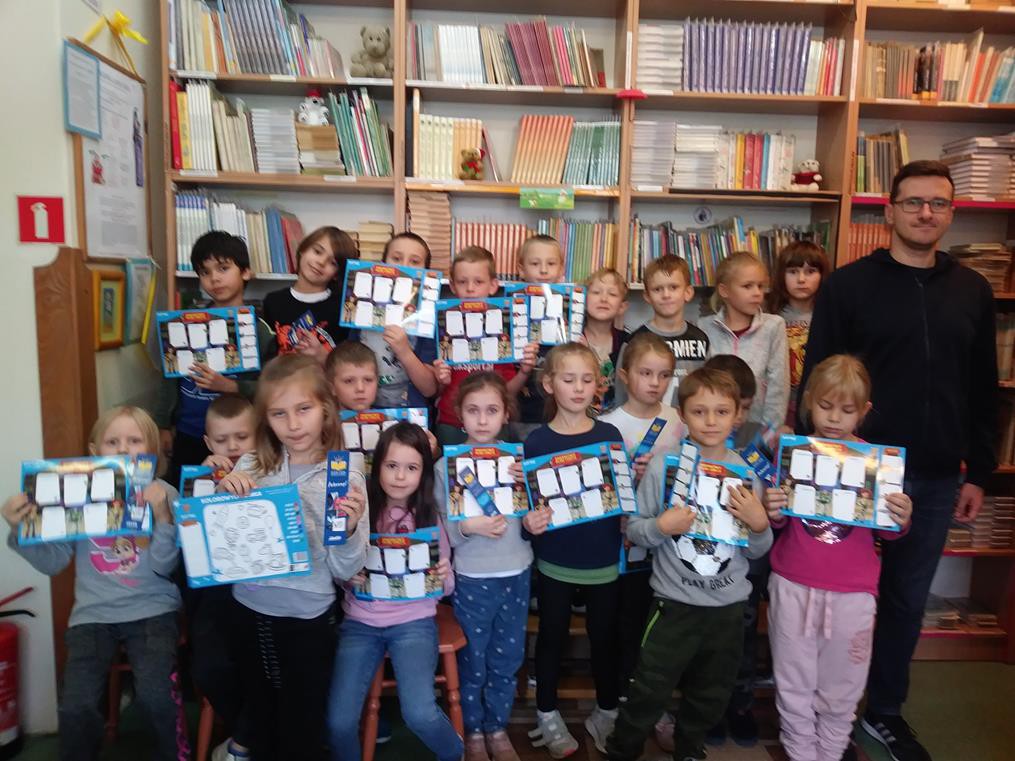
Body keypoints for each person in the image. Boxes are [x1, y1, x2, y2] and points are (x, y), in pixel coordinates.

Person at [800, 160, 998, 761]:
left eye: (938, 203)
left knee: (906, 599)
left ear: (951, 213)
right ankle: (822, 710)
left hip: (935, 476)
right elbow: (816, 380)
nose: (925, 213)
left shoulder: (973, 290)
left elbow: (984, 386)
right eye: (913, 202)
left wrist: (979, 471)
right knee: (833, 593)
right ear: (888, 211)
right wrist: (808, 462)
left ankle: (883, 711)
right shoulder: (848, 286)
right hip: (852, 468)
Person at [604, 368, 772, 761]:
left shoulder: (747, 474)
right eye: (699, 411)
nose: (711, 421)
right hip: (673, 606)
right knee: (649, 687)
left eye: (721, 411)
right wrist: (661, 526)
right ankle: (622, 749)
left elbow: (756, 551)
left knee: (712, 690)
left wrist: (760, 523)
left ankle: (690, 748)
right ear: (682, 415)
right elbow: (636, 530)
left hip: (727, 609)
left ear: (737, 415)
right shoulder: (664, 466)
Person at [3, 406, 186, 761]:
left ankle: (173, 754)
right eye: (112, 442)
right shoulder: (76, 493)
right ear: (94, 450)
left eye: (135, 441)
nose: (123, 449)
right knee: (76, 704)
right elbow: (54, 562)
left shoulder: (164, 493)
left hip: (152, 609)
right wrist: (19, 528)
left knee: (157, 696)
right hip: (92, 614)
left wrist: (163, 516)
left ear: (152, 450)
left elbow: (166, 567)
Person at [215, 355, 368, 761]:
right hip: (249, 609)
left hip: (307, 619)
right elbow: (223, 546)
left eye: (304, 409)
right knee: (259, 711)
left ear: (326, 409)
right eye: (279, 414)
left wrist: (348, 531)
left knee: (303, 722)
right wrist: (222, 497)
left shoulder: (344, 476)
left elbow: (346, 569)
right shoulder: (251, 465)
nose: (294, 425)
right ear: (265, 419)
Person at [765, 355, 913, 761]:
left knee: (842, 688)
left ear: (863, 411)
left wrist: (901, 516)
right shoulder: (792, 454)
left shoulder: (876, 464)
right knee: (793, 683)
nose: (834, 418)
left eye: (847, 410)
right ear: (808, 402)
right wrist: (772, 510)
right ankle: (801, 753)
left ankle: (830, 753)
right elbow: (775, 522)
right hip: (794, 584)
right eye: (825, 406)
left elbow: (889, 531)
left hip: (852, 594)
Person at [327, 423, 463, 761]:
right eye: (391, 465)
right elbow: (340, 569)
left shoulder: (429, 516)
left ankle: (455, 752)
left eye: (411, 467)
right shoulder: (361, 511)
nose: (400, 476)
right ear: (377, 467)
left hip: (414, 621)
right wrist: (349, 577)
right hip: (361, 621)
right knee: (338, 721)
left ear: (423, 472)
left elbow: (446, 585)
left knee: (419, 713)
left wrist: (444, 575)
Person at [435, 372, 545, 761]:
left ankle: (497, 726)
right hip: (472, 576)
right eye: (473, 411)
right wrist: (470, 526)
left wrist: (533, 509)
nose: (482, 420)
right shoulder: (445, 467)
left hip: (516, 572)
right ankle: (473, 730)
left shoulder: (519, 462)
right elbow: (444, 530)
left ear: (506, 414)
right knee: (473, 660)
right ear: (459, 415)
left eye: (492, 410)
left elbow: (534, 518)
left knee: (506, 659)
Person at [523, 342, 624, 758]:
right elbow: (527, 510)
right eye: (569, 379)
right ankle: (547, 713)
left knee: (605, 640)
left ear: (599, 384)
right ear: (549, 384)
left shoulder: (609, 435)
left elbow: (621, 499)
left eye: (587, 380)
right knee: (552, 638)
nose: (579, 388)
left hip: (604, 559)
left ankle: (607, 712)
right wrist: (528, 523)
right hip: (555, 561)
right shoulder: (536, 442)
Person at [599, 332, 684, 695]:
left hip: (671, 541)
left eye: (664, 375)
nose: (655, 383)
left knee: (659, 618)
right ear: (625, 374)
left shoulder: (678, 419)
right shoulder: (609, 424)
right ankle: (622, 690)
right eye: (646, 373)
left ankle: (651, 692)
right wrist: (630, 478)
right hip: (625, 540)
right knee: (627, 616)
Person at [158, 230, 274, 485]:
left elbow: (271, 388)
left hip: (239, 439)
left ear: (245, 272)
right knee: (190, 493)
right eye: (205, 272)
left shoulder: (260, 331)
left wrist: (231, 386)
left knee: (241, 490)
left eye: (223, 268)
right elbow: (169, 379)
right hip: (190, 433)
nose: (214, 278)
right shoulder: (184, 324)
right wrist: (164, 424)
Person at [188, 394, 256, 743]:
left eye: (242, 437)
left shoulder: (273, 472)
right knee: (210, 667)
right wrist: (208, 485)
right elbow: (188, 544)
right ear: (207, 442)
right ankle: (247, 734)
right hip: (217, 596)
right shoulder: (196, 481)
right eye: (221, 439)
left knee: (272, 667)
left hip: (264, 593)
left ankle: (249, 736)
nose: (232, 446)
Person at [433, 246, 534, 446]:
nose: (470, 289)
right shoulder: (444, 327)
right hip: (450, 423)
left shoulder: (502, 330)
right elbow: (435, 390)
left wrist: (524, 372)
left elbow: (507, 391)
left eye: (478, 282)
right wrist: (441, 381)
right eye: (462, 282)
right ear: (452, 286)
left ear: (493, 285)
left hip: (493, 425)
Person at [349, 233, 439, 408]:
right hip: (366, 413)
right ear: (383, 264)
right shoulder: (362, 309)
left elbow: (429, 389)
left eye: (414, 261)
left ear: (426, 272)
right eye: (396, 258)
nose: (404, 266)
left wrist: (404, 351)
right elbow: (347, 366)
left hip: (410, 415)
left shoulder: (428, 318)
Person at [701, 252, 789, 426]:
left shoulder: (774, 326)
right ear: (724, 290)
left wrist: (769, 431)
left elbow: (779, 385)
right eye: (748, 286)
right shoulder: (704, 327)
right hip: (714, 427)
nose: (757, 293)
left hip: (757, 428)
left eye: (760, 286)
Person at [614, 254, 710, 409]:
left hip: (688, 422)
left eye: (673, 287)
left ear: (688, 292)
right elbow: (621, 394)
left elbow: (709, 390)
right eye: (658, 289)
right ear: (647, 296)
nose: (666, 295)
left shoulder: (701, 340)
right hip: (645, 422)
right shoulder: (635, 341)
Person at [262, 226, 357, 362]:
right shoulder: (273, 301)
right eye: (317, 252)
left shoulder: (344, 309)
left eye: (333, 263)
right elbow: (268, 356)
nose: (321, 262)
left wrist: (322, 355)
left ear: (337, 274)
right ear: (303, 250)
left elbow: (350, 364)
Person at [766, 241, 830, 427]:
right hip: (777, 403)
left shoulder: (829, 316)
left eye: (810, 271)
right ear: (781, 275)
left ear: (822, 275)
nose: (801, 279)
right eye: (793, 271)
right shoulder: (769, 316)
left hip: (818, 403)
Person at [513, 235, 569, 440]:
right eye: (535, 264)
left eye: (551, 264)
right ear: (521, 269)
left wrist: (579, 347)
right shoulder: (511, 308)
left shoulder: (571, 309)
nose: (543, 270)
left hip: (561, 413)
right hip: (521, 414)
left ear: (561, 269)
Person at [580, 267, 629, 415]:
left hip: (617, 419)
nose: (603, 299)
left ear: (622, 307)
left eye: (612, 294)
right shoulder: (571, 340)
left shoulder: (628, 343)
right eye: (596, 292)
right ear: (582, 300)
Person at [326, 341, 380, 413]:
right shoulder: (320, 420)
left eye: (368, 380)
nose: (360, 388)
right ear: (332, 387)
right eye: (349, 381)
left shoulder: (391, 418)